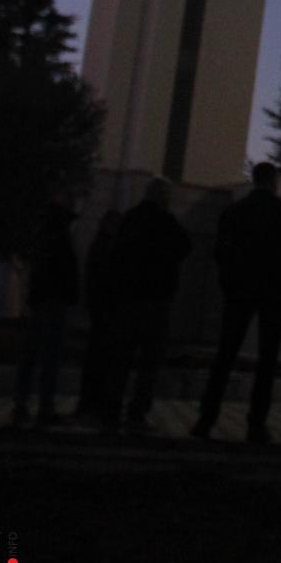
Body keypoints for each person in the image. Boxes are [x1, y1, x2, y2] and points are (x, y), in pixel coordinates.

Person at [192, 164, 281, 444]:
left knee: (225, 355)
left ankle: (206, 419)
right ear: (274, 182)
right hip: (273, 293)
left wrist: (231, 280)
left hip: (239, 290)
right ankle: (256, 424)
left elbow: (221, 251)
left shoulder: (235, 212)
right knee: (266, 362)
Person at [103, 179, 191, 431]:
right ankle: (137, 412)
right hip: (156, 301)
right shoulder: (166, 222)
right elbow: (185, 247)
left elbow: (116, 258)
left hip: (129, 300)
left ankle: (111, 410)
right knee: (149, 363)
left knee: (121, 358)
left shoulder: (131, 219)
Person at [13, 186, 79, 428]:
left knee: (34, 352)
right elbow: (59, 265)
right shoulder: (56, 228)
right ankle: (43, 406)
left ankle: (25, 404)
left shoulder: (46, 226)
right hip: (52, 297)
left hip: (43, 296)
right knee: (48, 354)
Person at [73, 210, 121, 420]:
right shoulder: (107, 247)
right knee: (100, 358)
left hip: (100, 309)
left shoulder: (100, 245)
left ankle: (90, 402)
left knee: (97, 358)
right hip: (105, 310)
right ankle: (93, 402)